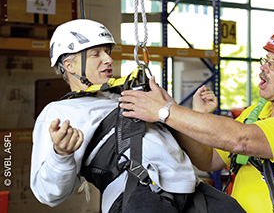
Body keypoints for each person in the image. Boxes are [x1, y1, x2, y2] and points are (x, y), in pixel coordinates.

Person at [30, 19, 246, 213]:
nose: (107, 59)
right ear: (69, 65)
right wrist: (61, 155)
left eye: (107, 52)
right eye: (96, 54)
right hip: (136, 196)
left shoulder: (134, 94)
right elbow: (47, 193)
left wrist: (194, 114)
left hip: (191, 190)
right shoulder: (60, 113)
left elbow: (188, 146)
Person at [120, 27, 274, 213]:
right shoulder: (257, 112)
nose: (263, 68)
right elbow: (209, 159)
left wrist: (166, 111)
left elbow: (241, 139)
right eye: (266, 60)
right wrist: (175, 116)